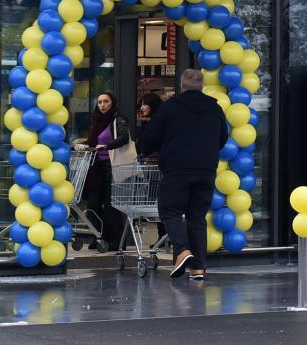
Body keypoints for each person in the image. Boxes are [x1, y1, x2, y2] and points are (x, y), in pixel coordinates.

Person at [136, 68, 230, 279]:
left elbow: (150, 138)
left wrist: (145, 148)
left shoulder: (170, 108)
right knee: (197, 217)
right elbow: (222, 138)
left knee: (169, 211)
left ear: (182, 85)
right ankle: (198, 268)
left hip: (176, 169)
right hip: (206, 170)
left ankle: (182, 250)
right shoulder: (215, 109)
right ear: (202, 86)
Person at [78, 92, 131, 252]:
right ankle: (100, 236)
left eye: (106, 101)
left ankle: (115, 240)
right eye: (100, 102)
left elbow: (124, 138)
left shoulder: (118, 120)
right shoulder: (97, 121)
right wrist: (82, 144)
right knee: (93, 203)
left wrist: (108, 146)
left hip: (111, 167)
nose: (102, 105)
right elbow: (94, 142)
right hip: (96, 168)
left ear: (112, 103)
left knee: (110, 206)